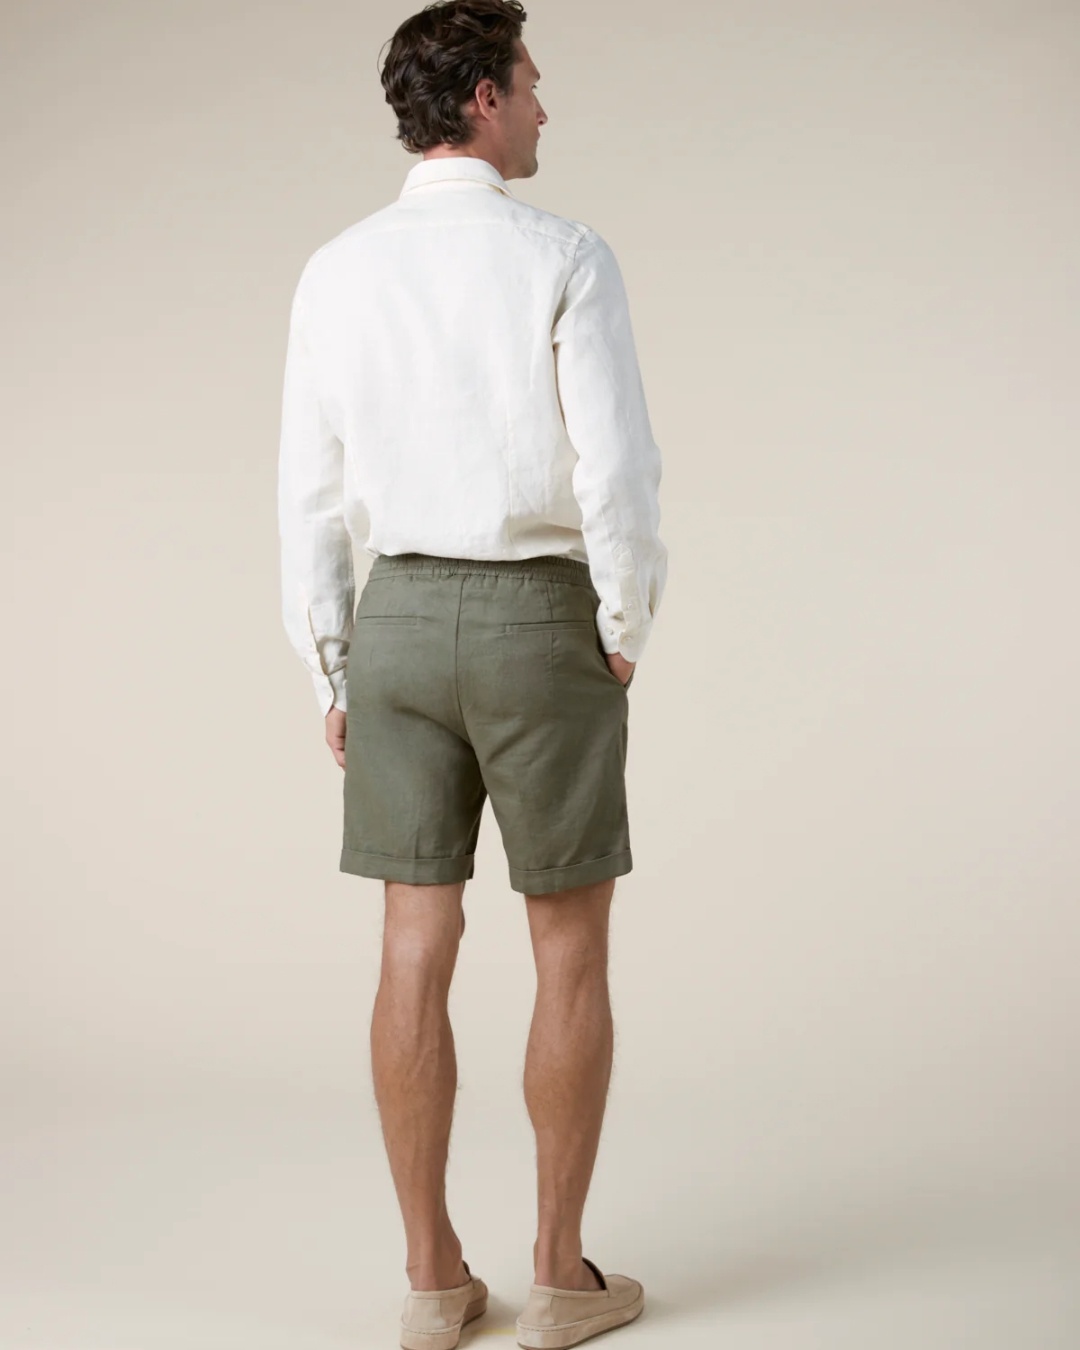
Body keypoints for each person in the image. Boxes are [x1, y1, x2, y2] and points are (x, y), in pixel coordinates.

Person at [277, 2, 667, 1345]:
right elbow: (617, 463)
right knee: (568, 945)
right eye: (533, 83)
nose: (547, 107)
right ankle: (559, 1275)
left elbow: (308, 486)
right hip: (538, 617)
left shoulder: (337, 268)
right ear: (485, 99)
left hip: (393, 619)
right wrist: (624, 617)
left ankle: (433, 1279)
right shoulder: (564, 253)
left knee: (412, 941)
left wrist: (332, 663)